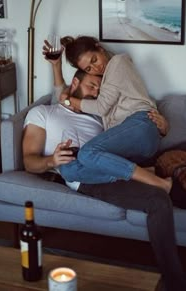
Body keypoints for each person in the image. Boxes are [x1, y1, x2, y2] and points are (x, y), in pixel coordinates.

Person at [23, 44, 186, 291]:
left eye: (100, 89)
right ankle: (153, 175)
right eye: (91, 84)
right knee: (70, 166)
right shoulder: (43, 113)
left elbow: (133, 117)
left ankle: (175, 282)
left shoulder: (103, 118)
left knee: (160, 199)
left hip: (112, 163)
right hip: (87, 175)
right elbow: (29, 161)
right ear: (75, 85)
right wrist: (51, 161)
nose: (97, 91)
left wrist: (162, 125)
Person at [56, 35, 172, 193]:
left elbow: (101, 107)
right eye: (88, 69)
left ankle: (161, 184)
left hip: (141, 124)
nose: (96, 68)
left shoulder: (118, 63)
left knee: (87, 153)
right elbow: (61, 98)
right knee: (68, 170)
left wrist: (70, 100)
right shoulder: (102, 85)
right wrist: (56, 66)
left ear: (99, 48)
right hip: (130, 142)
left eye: (94, 60)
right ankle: (144, 173)